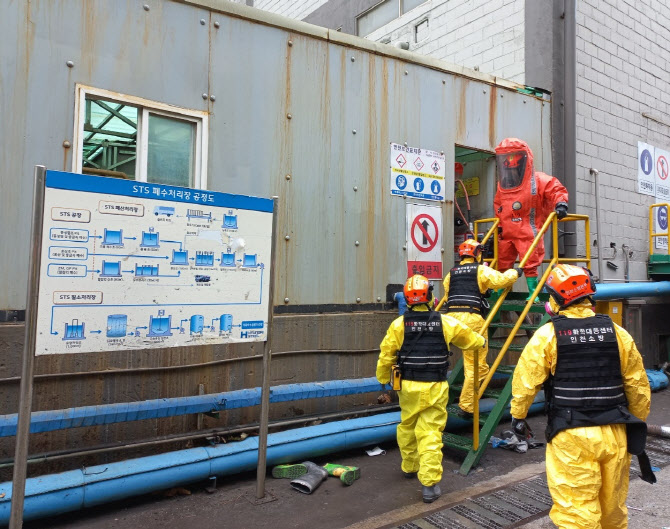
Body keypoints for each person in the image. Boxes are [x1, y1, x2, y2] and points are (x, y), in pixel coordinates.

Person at [510, 264, 654, 529]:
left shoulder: (547, 335)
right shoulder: (618, 333)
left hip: (571, 436)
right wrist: (635, 422)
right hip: (615, 433)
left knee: (577, 512)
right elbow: (638, 386)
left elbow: (525, 382)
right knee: (612, 509)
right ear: (590, 294)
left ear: (556, 298)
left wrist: (519, 417)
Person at [376, 274, 486, 503]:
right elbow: (470, 339)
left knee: (407, 425)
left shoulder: (398, 325)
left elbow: (385, 356)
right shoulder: (445, 323)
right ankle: (429, 485)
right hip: (435, 387)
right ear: (430, 296)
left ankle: (409, 466)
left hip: (407, 387)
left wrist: (382, 380)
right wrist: (482, 341)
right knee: (430, 434)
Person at [443, 239, 522, 419]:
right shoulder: (481, 270)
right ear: (477, 254)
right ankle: (467, 406)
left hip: (449, 320)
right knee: (477, 367)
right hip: (471, 320)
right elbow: (500, 280)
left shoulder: (451, 273)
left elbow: (449, 295)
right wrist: (515, 272)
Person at [493, 138, 569, 299]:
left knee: (529, 262)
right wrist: (498, 225)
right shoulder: (502, 186)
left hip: (528, 232)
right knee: (503, 262)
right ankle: (501, 289)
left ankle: (533, 290)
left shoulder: (538, 180)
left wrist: (561, 203)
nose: (511, 168)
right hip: (506, 233)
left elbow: (555, 188)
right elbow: (498, 205)